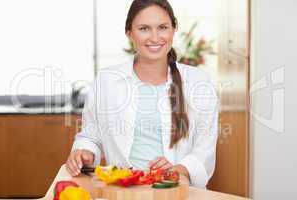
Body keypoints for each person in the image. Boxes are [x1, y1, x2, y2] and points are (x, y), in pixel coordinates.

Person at [65, 0, 218, 188]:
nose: (154, 37)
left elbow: (204, 150)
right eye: (144, 28)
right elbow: (90, 136)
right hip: (121, 191)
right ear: (129, 33)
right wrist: (85, 152)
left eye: (162, 27)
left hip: (174, 191)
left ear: (173, 29)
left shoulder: (199, 82)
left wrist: (179, 169)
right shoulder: (106, 80)